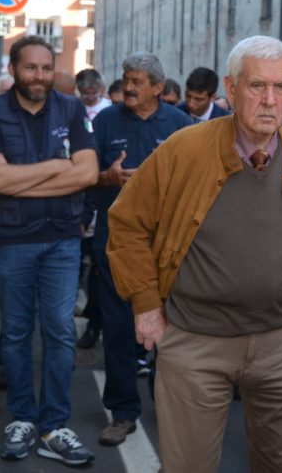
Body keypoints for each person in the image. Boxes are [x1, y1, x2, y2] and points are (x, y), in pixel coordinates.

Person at [106, 36, 282, 473]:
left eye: (281, 87)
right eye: (257, 86)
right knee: (188, 467)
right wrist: (146, 305)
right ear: (231, 90)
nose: (270, 100)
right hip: (196, 341)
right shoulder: (184, 149)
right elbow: (127, 222)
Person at [0, 36, 98, 465]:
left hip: (63, 237)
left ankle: (55, 425)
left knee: (61, 331)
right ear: (14, 69)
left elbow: (88, 173)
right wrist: (57, 167)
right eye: (31, 68)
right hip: (11, 240)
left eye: (47, 68)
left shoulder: (71, 109)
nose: (40, 76)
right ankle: (23, 418)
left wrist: (18, 180)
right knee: (15, 331)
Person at [91, 53, 193, 447]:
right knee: (118, 328)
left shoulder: (181, 125)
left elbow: (196, 183)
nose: (129, 87)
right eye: (126, 79)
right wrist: (108, 176)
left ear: (158, 88)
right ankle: (122, 412)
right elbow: (86, 174)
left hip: (167, 246)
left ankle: (166, 403)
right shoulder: (105, 121)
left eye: (137, 81)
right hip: (117, 245)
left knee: (171, 329)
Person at [73, 68, 111, 350]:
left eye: (93, 93)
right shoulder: (74, 110)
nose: (89, 98)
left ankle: (98, 322)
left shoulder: (108, 113)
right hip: (82, 194)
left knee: (100, 269)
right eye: (84, 94)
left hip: (103, 194)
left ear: (101, 89)